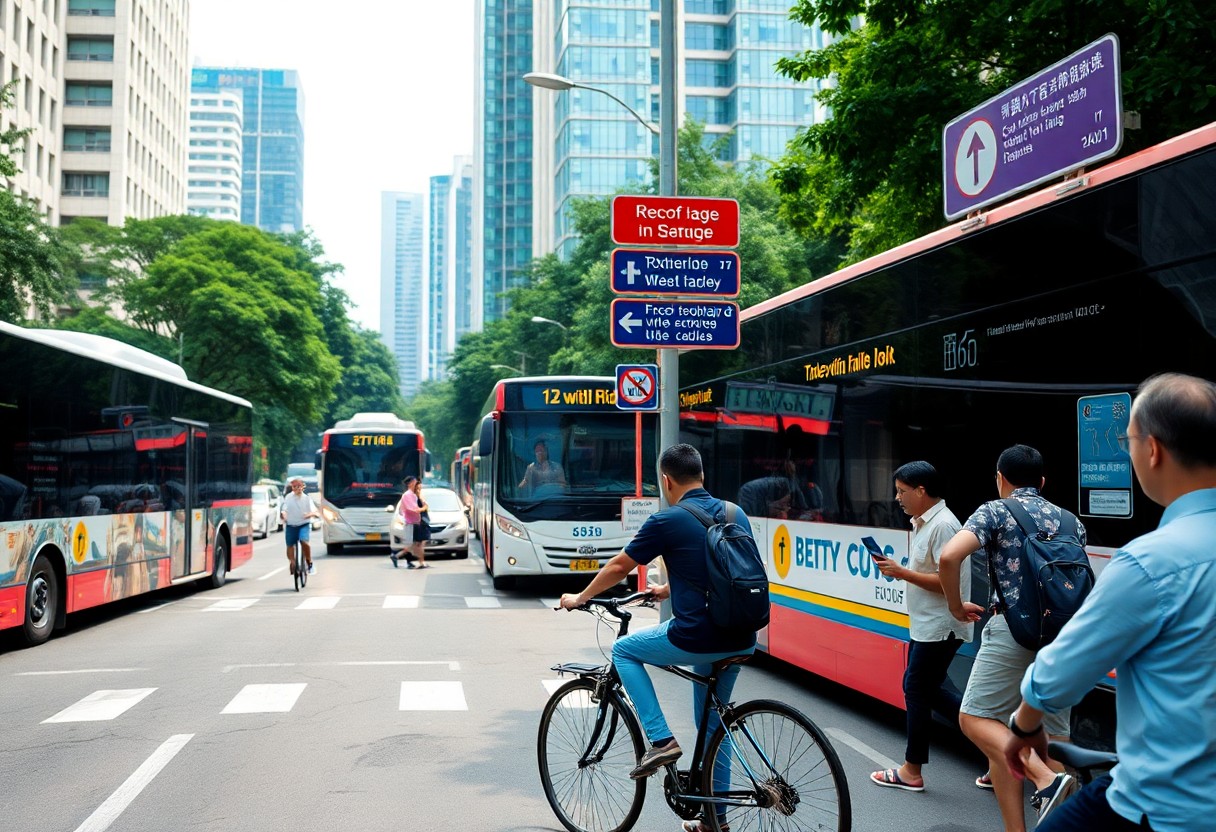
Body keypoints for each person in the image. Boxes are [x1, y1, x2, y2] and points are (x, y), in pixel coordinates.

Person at [1003, 373, 1216, 832]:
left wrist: (1023, 727)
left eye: (1130, 440)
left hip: (1165, 805)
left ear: (1153, 449)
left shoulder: (1151, 561)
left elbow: (1059, 671)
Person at [559, 444, 757, 832]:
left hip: (698, 635)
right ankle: (714, 819)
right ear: (701, 474)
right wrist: (669, 589)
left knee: (624, 650)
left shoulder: (667, 520)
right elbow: (729, 570)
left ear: (666, 480)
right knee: (714, 724)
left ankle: (662, 740)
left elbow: (620, 565)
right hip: (743, 635)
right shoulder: (736, 512)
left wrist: (580, 597)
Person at [938, 445, 1080, 831]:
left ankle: (1044, 780)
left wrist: (955, 606)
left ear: (1000, 477)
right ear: (1043, 482)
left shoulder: (995, 511)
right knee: (1052, 735)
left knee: (976, 718)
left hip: (1013, 630)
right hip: (1062, 637)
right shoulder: (1070, 521)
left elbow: (950, 557)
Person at [869, 460, 971, 793]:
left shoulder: (942, 525)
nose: (897, 498)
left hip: (940, 625)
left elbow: (946, 584)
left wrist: (901, 572)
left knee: (916, 688)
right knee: (933, 690)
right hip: (928, 625)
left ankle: (912, 770)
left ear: (921, 491)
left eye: (901, 491)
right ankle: (1000, 740)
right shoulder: (924, 523)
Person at [280, 476, 319, 575]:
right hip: (291, 525)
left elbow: (315, 511)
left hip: (303, 524)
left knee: (304, 541)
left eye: (299, 486)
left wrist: (309, 514)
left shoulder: (307, 499)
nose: (297, 488)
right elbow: (284, 509)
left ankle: (309, 562)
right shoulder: (288, 497)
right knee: (290, 545)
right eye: (294, 486)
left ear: (303, 487)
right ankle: (292, 562)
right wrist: (284, 515)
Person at [389, 475, 416, 568]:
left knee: (411, 543)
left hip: (411, 521)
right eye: (414, 482)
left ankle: (408, 562)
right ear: (410, 484)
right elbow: (407, 508)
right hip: (409, 521)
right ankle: (396, 556)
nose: (415, 483)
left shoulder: (411, 494)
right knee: (409, 544)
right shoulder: (408, 495)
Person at [408, 476, 432, 568]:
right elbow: (423, 507)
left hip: (417, 521)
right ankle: (421, 562)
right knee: (421, 543)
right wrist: (422, 508)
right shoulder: (417, 496)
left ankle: (419, 561)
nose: (420, 487)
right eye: (419, 485)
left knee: (418, 543)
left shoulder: (413, 495)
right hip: (421, 521)